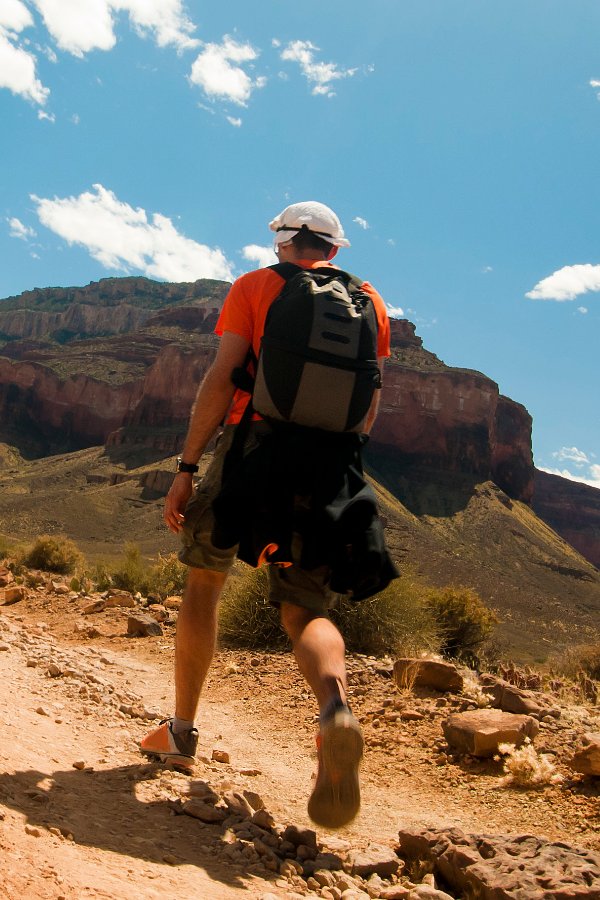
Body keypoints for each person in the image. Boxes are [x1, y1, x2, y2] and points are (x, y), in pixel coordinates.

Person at [138, 201, 391, 830]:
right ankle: (334, 708)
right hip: (328, 465)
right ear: (335, 249)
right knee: (305, 607)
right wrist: (341, 470)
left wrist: (187, 467)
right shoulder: (371, 304)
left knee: (206, 579)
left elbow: (222, 379)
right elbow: (368, 404)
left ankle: (182, 731)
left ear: (282, 242)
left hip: (252, 450)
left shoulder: (254, 287)